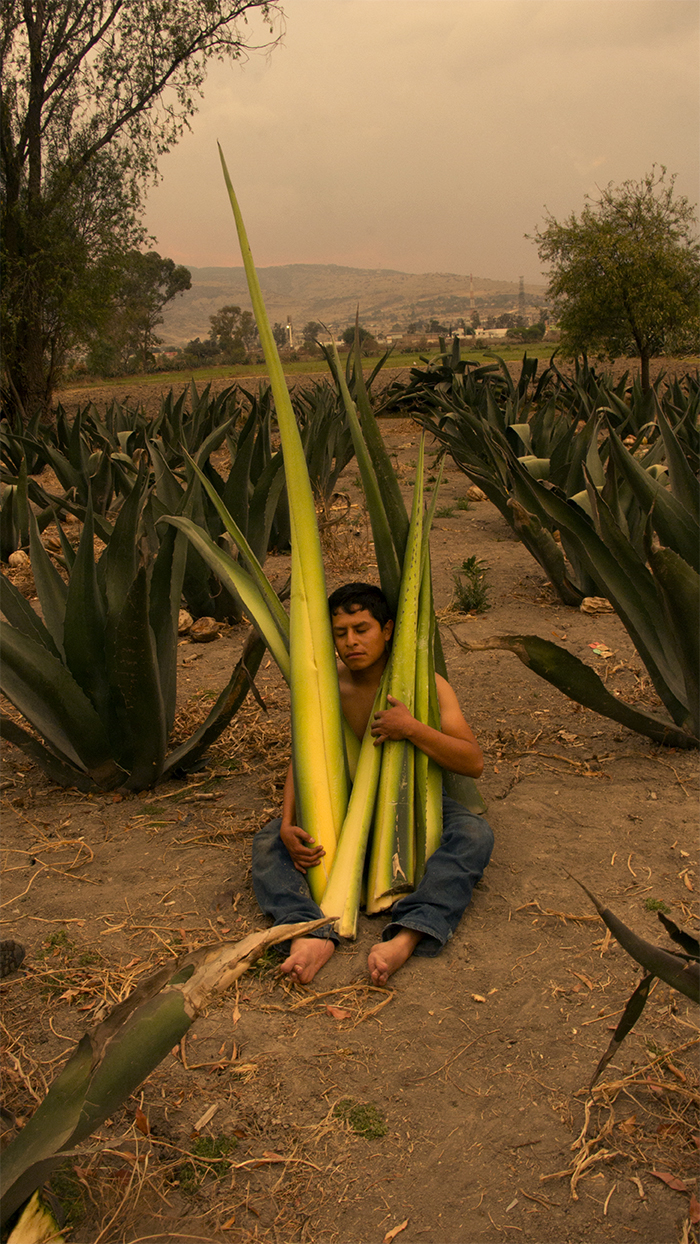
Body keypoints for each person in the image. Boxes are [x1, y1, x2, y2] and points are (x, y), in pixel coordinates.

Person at [251, 583, 493, 986]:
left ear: (387, 629)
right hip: (342, 801)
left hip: (414, 798)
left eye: (361, 629)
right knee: (267, 844)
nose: (351, 642)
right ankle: (309, 930)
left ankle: (412, 930)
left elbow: (473, 762)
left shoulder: (426, 685)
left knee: (473, 833)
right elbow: (302, 758)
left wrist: (413, 729)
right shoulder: (328, 686)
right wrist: (287, 820)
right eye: (340, 633)